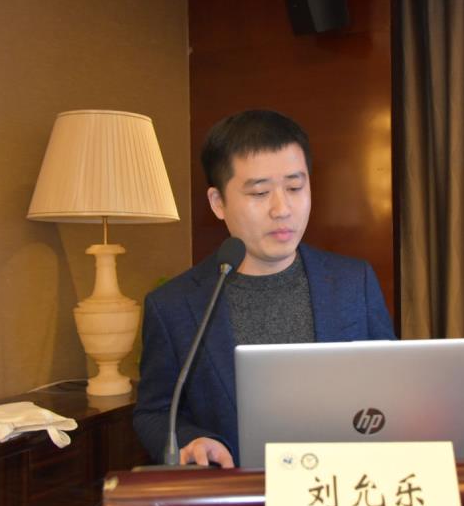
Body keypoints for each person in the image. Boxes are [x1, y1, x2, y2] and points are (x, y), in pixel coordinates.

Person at [133, 109, 395, 468]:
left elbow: (390, 389)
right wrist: (192, 440)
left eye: (295, 188)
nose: (282, 209)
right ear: (218, 203)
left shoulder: (354, 282)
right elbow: (155, 411)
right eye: (259, 192)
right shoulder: (173, 306)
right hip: (239, 494)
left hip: (343, 484)